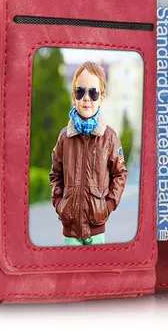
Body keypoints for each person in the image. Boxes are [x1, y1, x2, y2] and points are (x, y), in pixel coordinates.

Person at [49, 61, 127, 245]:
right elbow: (55, 174)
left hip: (96, 226)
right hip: (70, 228)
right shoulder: (65, 137)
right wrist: (59, 204)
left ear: (101, 98)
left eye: (93, 93)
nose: (86, 98)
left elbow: (120, 174)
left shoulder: (109, 137)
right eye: (80, 92)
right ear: (73, 96)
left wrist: (108, 206)